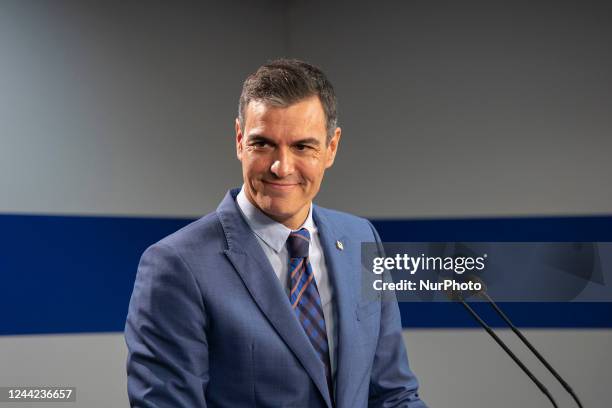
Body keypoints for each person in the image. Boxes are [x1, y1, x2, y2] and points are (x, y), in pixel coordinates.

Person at [125, 58, 426, 408]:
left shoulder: (361, 238)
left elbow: (394, 395)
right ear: (240, 140)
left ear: (331, 148)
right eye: (263, 143)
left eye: (302, 146)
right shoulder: (176, 266)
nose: (281, 167)